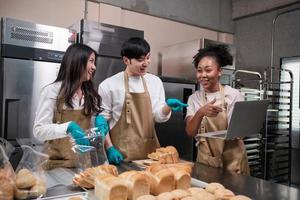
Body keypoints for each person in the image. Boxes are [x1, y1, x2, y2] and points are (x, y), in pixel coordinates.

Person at [99, 37, 187, 164]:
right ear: (126, 60)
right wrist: (110, 148)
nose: (146, 63)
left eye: (147, 57)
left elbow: (158, 117)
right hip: (120, 155)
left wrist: (167, 107)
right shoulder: (109, 85)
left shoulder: (155, 82)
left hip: (150, 157)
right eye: (140, 60)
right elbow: (103, 122)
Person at [33, 43, 109, 169]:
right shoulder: (52, 91)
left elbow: (91, 126)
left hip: (84, 165)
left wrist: (98, 121)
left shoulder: (90, 94)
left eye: (94, 62)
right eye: (91, 61)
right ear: (77, 62)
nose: (94, 67)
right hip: (56, 165)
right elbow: (39, 131)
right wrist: (68, 128)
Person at [185, 44, 250, 175]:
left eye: (208, 70)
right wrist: (201, 113)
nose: (203, 75)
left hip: (233, 161)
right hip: (206, 161)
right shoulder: (194, 98)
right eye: (199, 70)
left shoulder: (233, 95)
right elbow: (190, 132)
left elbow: (239, 133)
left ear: (219, 71)